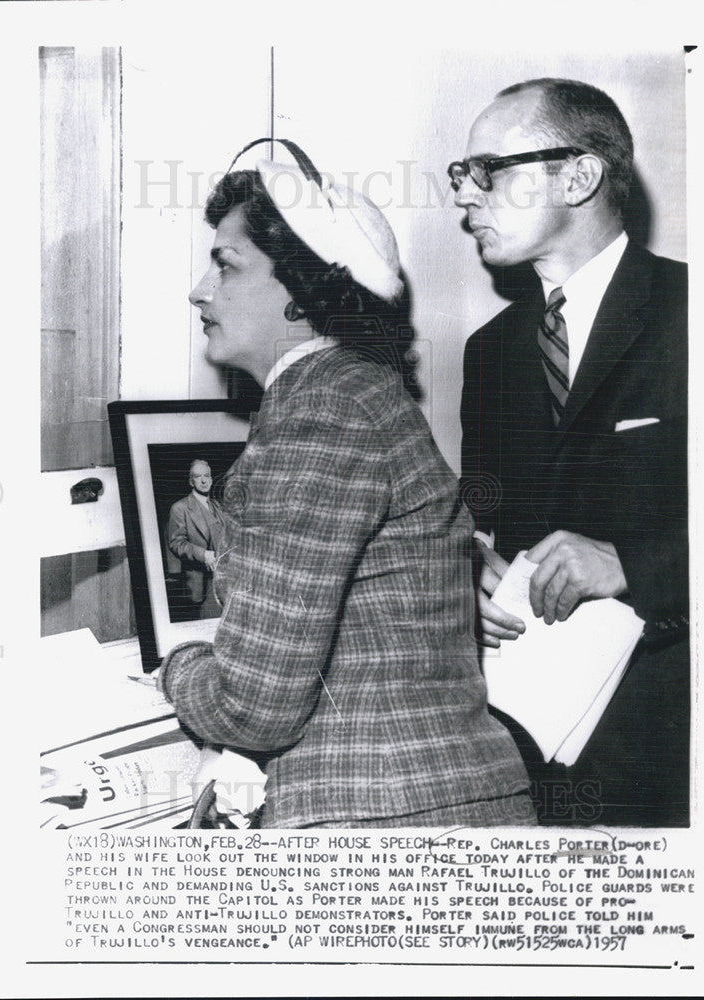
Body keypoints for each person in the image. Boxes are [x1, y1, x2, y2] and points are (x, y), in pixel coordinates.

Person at [157, 139, 534, 828]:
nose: (200, 290)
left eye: (225, 265)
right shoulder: (359, 393)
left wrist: (175, 663)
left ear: (301, 291)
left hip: (383, 815)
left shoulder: (319, 410)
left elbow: (254, 706)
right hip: (434, 800)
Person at [453, 79, 689, 826]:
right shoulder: (488, 352)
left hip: (675, 743)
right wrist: (464, 570)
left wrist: (631, 564)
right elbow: (480, 517)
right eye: (461, 176)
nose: (466, 197)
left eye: (488, 170)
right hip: (522, 735)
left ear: (579, 175)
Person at [167, 459, 225, 616]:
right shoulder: (180, 508)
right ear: (191, 482)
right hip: (200, 584)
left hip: (225, 583)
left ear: (212, 479)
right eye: (198, 476)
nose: (204, 480)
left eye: (207, 475)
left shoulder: (218, 506)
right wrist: (203, 555)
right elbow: (176, 543)